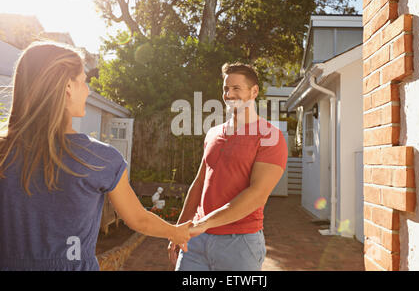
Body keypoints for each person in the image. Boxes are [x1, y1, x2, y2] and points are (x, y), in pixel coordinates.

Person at [0, 41, 191, 271]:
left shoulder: (4, 153)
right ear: (68, 88)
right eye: (83, 81)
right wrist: (175, 232)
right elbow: (138, 219)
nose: (87, 90)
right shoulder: (100, 159)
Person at [168, 62, 288, 271]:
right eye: (225, 88)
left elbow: (257, 195)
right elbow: (199, 184)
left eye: (236, 88)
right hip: (197, 242)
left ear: (254, 92)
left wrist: (205, 223)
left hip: (239, 244)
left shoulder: (270, 137)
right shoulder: (213, 133)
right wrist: (179, 229)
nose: (229, 94)